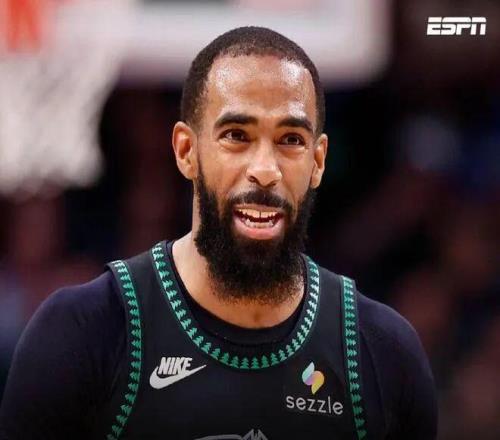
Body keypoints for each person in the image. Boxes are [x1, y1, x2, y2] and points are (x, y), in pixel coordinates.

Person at [0, 27, 437, 439]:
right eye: (236, 135)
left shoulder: (383, 351)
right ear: (186, 151)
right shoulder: (82, 332)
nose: (264, 169)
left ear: (318, 161)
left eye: (290, 139)